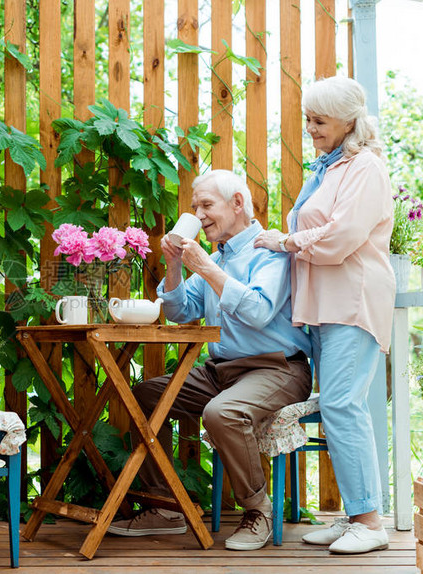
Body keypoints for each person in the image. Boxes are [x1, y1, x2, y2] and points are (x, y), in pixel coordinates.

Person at [107, 170, 313, 551]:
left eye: (206, 205)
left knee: (221, 413)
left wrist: (203, 266)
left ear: (237, 204)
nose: (198, 215)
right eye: (193, 207)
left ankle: (259, 511)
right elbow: (180, 311)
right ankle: (165, 507)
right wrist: (173, 265)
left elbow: (257, 311)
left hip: (278, 367)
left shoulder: (270, 251)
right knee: (142, 396)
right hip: (221, 372)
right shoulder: (217, 258)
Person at [254, 76, 395, 554]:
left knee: (341, 406)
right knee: (339, 408)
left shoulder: (365, 168)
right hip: (329, 307)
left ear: (349, 122)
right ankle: (357, 513)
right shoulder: (334, 168)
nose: (309, 129)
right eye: (308, 119)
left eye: (319, 121)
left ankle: (371, 523)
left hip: (353, 302)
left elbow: (340, 237)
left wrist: (286, 241)